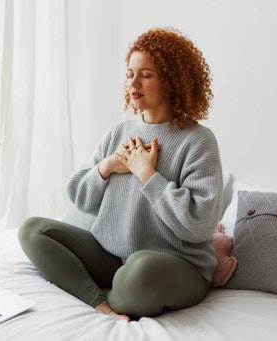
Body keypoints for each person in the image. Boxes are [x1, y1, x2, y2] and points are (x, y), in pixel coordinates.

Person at [18, 27, 223, 321]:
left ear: (172, 80)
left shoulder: (198, 140)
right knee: (32, 230)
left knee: (140, 270)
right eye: (129, 74)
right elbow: (80, 198)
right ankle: (99, 301)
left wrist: (147, 174)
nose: (133, 83)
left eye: (146, 74)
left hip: (177, 265)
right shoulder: (120, 131)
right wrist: (107, 167)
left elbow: (198, 225)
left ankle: (101, 289)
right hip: (113, 257)